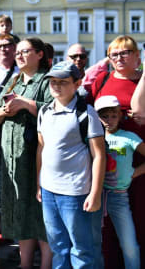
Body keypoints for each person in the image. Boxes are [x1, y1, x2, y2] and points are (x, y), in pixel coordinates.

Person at [36, 61, 106, 268]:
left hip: (75, 192)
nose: (56, 86)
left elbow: (99, 155)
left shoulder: (87, 113)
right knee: (58, 247)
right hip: (48, 191)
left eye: (63, 82)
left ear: (77, 83)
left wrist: (94, 193)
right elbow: (41, 149)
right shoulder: (44, 111)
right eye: (53, 82)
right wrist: (38, 184)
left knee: (81, 250)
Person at [0, 38, 53, 269]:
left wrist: (26, 104)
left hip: (37, 155)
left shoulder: (47, 81)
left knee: (40, 210)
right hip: (12, 157)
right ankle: (24, 263)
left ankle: (46, 264)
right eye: (17, 52)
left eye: (24, 51)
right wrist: (5, 111)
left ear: (39, 54)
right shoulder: (14, 81)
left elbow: (56, 109)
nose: (18, 55)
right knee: (20, 210)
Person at [90, 35, 145, 268]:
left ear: (137, 56)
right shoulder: (102, 80)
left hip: (139, 158)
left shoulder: (141, 79)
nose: (120, 58)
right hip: (108, 159)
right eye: (114, 54)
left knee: (140, 218)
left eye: (125, 52)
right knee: (108, 223)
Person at [95, 95, 145, 269]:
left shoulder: (129, 137)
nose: (109, 120)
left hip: (118, 197)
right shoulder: (93, 137)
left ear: (120, 115)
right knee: (95, 242)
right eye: (104, 116)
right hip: (95, 196)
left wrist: (134, 173)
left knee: (129, 244)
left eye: (113, 115)